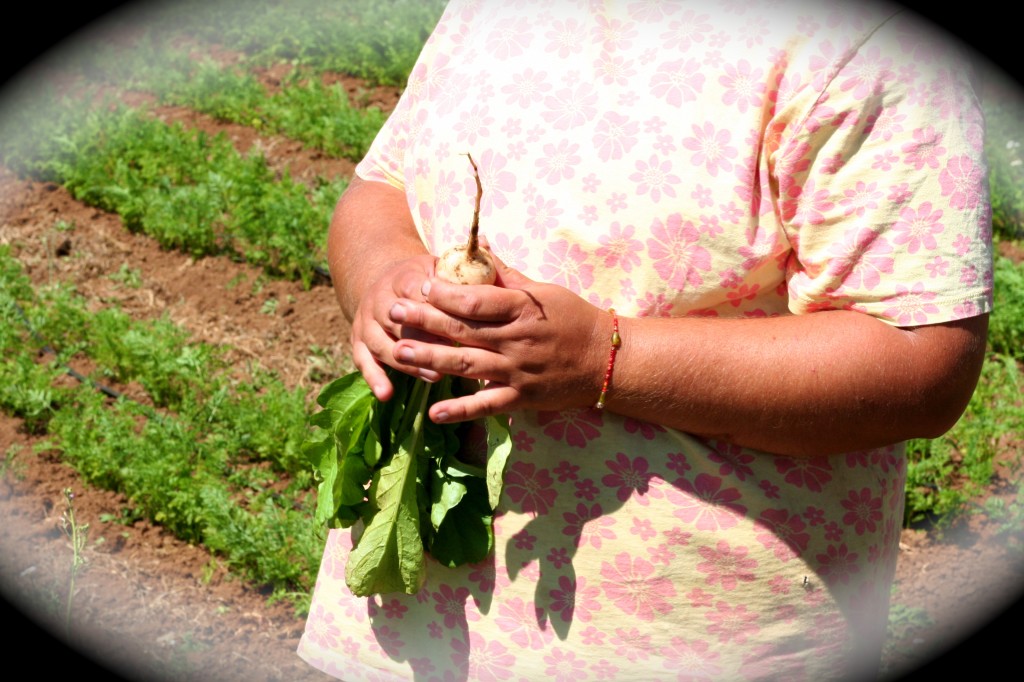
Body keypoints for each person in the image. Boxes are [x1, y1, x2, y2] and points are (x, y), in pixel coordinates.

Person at [297, 0, 992, 679]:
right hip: (423, 632)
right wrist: (384, 276)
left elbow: (920, 360)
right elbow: (380, 188)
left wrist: (604, 356)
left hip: (694, 634)